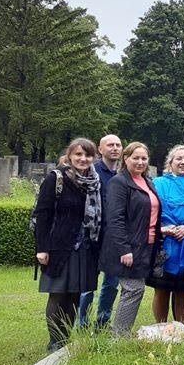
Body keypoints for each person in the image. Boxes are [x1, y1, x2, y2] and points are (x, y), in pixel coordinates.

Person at [34, 138, 102, 351]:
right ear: (70, 156)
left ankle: (65, 338)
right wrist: (42, 248)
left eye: (88, 155)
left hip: (85, 247)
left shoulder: (94, 181)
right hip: (59, 246)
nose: (83, 159)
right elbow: (42, 215)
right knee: (58, 293)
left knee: (75, 293)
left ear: (93, 157)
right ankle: (55, 341)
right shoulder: (57, 179)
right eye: (79, 154)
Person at [100, 142, 162, 336]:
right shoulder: (119, 182)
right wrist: (124, 249)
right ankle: (118, 337)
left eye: (144, 158)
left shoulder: (147, 181)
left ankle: (120, 334)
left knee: (134, 290)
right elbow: (115, 218)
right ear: (125, 159)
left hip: (146, 246)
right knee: (134, 289)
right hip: (127, 248)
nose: (140, 162)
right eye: (135, 158)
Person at [147, 145, 184, 323]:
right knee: (161, 290)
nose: (183, 162)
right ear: (170, 163)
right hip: (164, 243)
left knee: (183, 291)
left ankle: (181, 329)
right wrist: (166, 228)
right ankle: (160, 328)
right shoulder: (159, 183)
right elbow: (152, 210)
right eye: (179, 159)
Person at [79, 134, 122, 329]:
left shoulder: (123, 174)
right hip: (93, 237)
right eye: (110, 145)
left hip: (115, 239)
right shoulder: (91, 171)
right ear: (100, 149)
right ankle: (83, 322)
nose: (114, 148)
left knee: (111, 284)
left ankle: (102, 322)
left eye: (118, 145)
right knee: (88, 284)